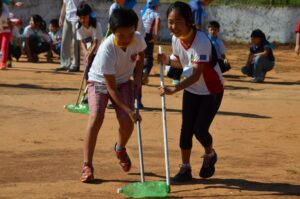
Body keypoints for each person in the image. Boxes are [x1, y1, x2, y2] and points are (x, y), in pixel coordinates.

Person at [158, 1, 223, 182]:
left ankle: (210, 154)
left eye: (178, 21)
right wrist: (168, 60)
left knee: (200, 130)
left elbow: (196, 73)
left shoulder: (201, 41)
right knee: (186, 130)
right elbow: (182, 61)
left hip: (211, 90)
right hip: (192, 89)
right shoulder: (175, 39)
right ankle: (185, 168)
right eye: (170, 22)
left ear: (188, 21)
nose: (173, 26)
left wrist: (175, 88)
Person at [80, 8, 146, 183]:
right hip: (100, 82)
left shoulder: (138, 38)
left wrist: (138, 77)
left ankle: (120, 148)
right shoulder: (106, 49)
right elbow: (111, 88)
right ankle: (87, 165)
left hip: (124, 81)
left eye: (129, 34)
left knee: (127, 122)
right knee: (96, 117)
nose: (125, 40)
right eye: (120, 36)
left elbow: (141, 55)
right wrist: (129, 110)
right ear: (112, 30)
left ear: (135, 29)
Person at [57, 0, 86, 72]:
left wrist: (81, 17)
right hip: (67, 18)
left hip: (76, 19)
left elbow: (83, 4)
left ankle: (75, 65)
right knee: (64, 41)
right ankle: (65, 64)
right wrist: (61, 17)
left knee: (75, 42)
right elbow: (64, 5)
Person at [76, 3, 103, 80]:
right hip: (88, 51)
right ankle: (86, 89)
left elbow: (95, 43)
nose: (82, 20)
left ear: (90, 15)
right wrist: (86, 53)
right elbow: (82, 42)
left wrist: (90, 54)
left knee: (96, 73)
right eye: (80, 17)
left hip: (98, 52)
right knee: (86, 72)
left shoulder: (96, 25)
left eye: (84, 17)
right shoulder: (78, 27)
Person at [141, 0, 160, 84]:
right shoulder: (156, 14)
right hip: (148, 36)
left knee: (140, 55)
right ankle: (144, 76)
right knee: (149, 57)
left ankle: (138, 75)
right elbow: (157, 23)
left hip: (139, 35)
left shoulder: (142, 11)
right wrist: (155, 36)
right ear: (155, 6)